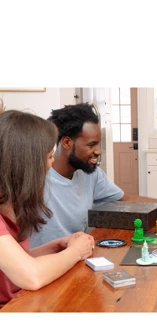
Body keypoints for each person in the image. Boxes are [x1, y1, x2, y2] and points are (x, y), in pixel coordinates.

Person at [29, 103, 157, 247]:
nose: (98, 151)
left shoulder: (91, 174)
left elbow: (126, 200)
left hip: (77, 256)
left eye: (98, 144)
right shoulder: (33, 176)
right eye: (91, 145)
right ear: (66, 142)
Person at [0, 110, 94, 307]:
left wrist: (55, 247)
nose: (52, 163)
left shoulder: (10, 205)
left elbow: (16, 264)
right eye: (50, 156)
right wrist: (76, 252)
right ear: (27, 164)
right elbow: (31, 276)